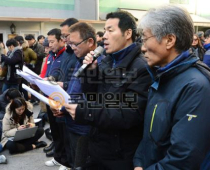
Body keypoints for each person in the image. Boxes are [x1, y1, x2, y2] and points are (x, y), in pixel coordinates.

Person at [64, 11, 151, 170]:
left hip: (119, 154)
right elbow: (94, 96)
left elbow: (128, 113)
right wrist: (91, 72)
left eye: (110, 30)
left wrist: (86, 112)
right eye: (104, 31)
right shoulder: (107, 60)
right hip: (98, 144)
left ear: (128, 33)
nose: (104, 36)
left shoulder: (141, 67)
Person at [133, 5, 210, 170]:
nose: (142, 47)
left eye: (145, 39)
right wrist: (139, 162)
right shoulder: (162, 76)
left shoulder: (195, 86)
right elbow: (149, 136)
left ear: (169, 40)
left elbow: (184, 159)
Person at [51, 22, 97, 169]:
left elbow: (93, 96)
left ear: (90, 41)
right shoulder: (80, 60)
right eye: (69, 43)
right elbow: (74, 89)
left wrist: (66, 108)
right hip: (71, 123)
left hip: (84, 127)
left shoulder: (97, 63)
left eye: (74, 44)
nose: (71, 47)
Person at [44, 27, 77, 170]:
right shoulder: (53, 55)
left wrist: (61, 83)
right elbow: (58, 73)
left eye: (52, 42)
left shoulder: (70, 55)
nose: (49, 45)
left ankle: (66, 161)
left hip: (65, 98)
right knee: (55, 130)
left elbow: (72, 79)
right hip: (52, 96)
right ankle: (59, 157)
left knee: (65, 133)